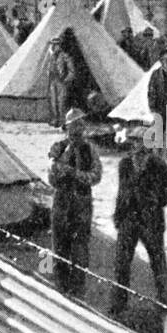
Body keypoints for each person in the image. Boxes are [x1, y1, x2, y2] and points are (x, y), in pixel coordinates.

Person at [108, 128, 167, 316]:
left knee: (158, 263)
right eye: (135, 141)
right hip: (128, 219)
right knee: (121, 264)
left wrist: (153, 202)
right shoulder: (125, 164)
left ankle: (165, 305)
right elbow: (121, 192)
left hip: (150, 221)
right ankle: (119, 304)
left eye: (141, 141)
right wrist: (118, 216)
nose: (138, 144)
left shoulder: (159, 164)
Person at [48, 108, 102, 298]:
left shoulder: (90, 150)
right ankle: (60, 289)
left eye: (79, 128)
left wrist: (75, 174)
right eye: (72, 129)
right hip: (61, 203)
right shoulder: (58, 148)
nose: (75, 133)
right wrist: (58, 170)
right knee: (59, 247)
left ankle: (78, 291)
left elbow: (96, 176)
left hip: (82, 204)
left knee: (80, 250)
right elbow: (51, 178)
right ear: (67, 130)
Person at [47, 35, 77, 128]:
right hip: (53, 81)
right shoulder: (52, 57)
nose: (53, 47)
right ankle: (55, 120)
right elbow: (49, 68)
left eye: (55, 45)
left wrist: (66, 80)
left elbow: (72, 71)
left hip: (61, 81)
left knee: (61, 102)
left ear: (59, 46)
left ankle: (63, 121)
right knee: (53, 101)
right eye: (53, 45)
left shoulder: (65, 56)